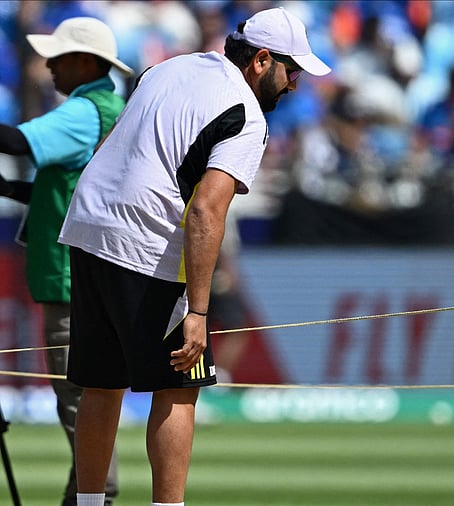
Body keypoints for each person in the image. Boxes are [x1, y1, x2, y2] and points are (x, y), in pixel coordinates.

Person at [56, 7, 331, 506]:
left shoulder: (166, 67)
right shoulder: (245, 113)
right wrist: (199, 312)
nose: (294, 85)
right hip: (144, 238)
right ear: (261, 60)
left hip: (89, 224)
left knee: (101, 383)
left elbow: (119, 144)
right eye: (291, 70)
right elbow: (206, 211)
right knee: (179, 386)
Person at [0, 16, 131, 506]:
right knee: (87, 396)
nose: (49, 65)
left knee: (79, 400)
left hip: (70, 279)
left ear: (84, 61)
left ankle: (96, 496)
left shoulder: (83, 111)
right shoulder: (111, 106)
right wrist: (10, 188)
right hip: (93, 273)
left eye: (57, 57)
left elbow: (16, 142)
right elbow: (73, 189)